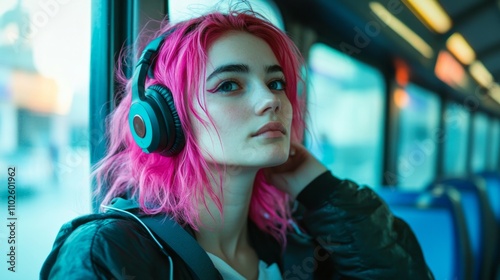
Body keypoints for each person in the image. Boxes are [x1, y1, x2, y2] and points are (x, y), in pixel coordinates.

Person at [40, 9, 434, 280]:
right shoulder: (108, 253)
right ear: (164, 119)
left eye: (276, 82)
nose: (271, 101)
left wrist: (320, 186)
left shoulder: (294, 246)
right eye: (230, 85)